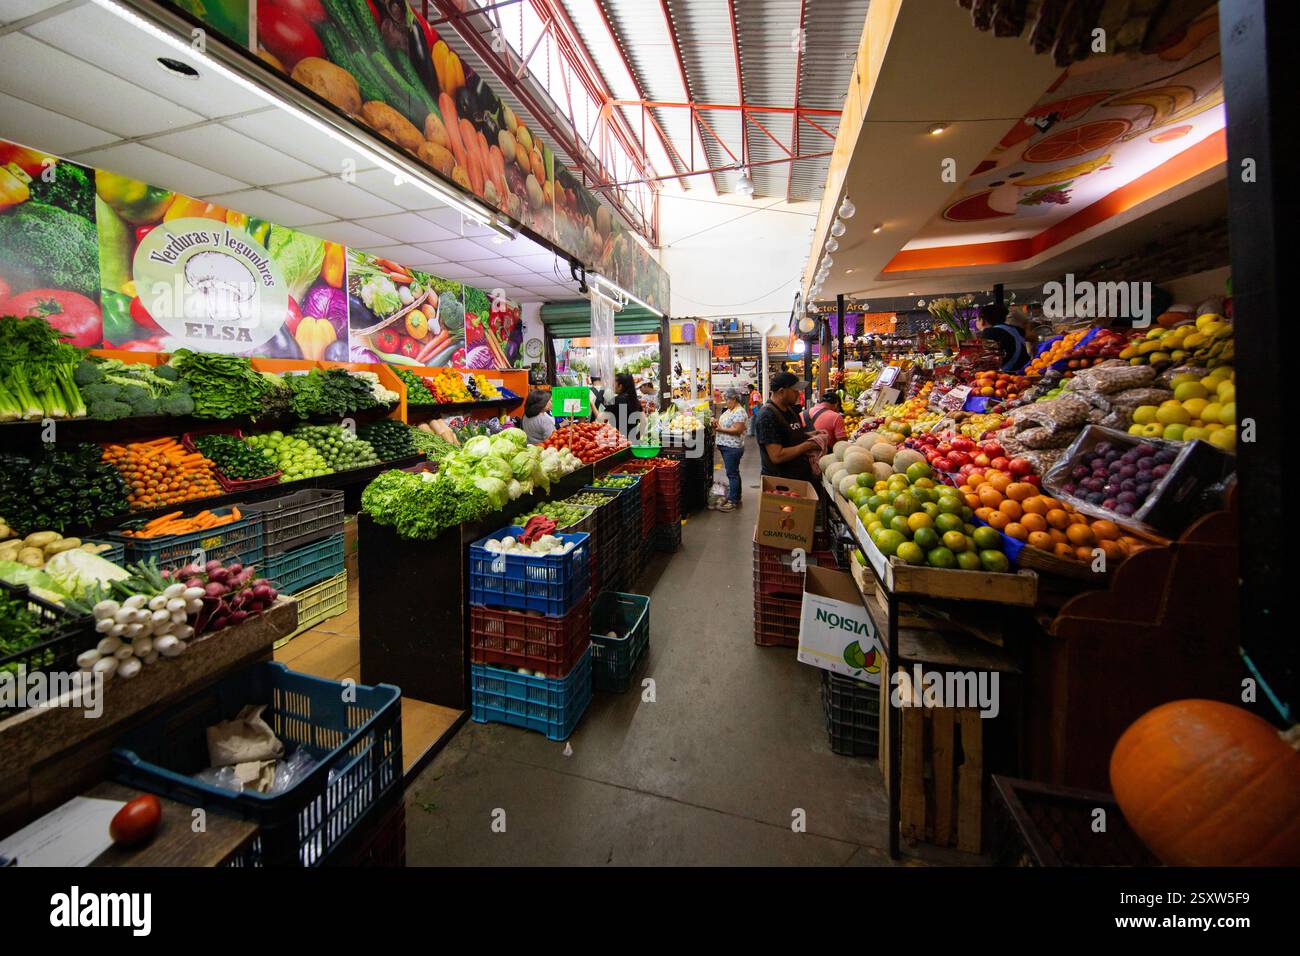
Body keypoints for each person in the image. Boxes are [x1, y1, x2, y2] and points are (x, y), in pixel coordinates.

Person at [752, 372, 819, 481]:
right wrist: (808, 446)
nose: (798, 394)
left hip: (799, 478)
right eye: (795, 390)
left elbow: (788, 436)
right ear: (782, 392)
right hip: (781, 484)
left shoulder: (790, 410)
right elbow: (777, 456)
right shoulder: (767, 415)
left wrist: (809, 435)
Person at [713, 389, 749, 512]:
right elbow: (726, 424)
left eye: (727, 399)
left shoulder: (739, 412)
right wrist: (717, 424)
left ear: (734, 399)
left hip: (732, 447)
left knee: (732, 474)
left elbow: (738, 430)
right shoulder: (731, 410)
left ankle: (733, 501)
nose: (725, 402)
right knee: (733, 472)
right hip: (727, 447)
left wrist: (720, 430)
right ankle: (736, 496)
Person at [976, 303, 1030, 372]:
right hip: (1025, 371)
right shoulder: (1016, 329)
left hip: (1007, 375)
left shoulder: (989, 332)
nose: (976, 323)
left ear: (983, 320)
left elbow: (988, 360)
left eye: (977, 320)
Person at [608, 372, 643, 440]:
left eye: (614, 383)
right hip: (632, 441)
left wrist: (591, 403)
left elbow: (601, 418)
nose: (612, 385)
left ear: (620, 386)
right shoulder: (636, 402)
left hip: (618, 441)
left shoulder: (615, 400)